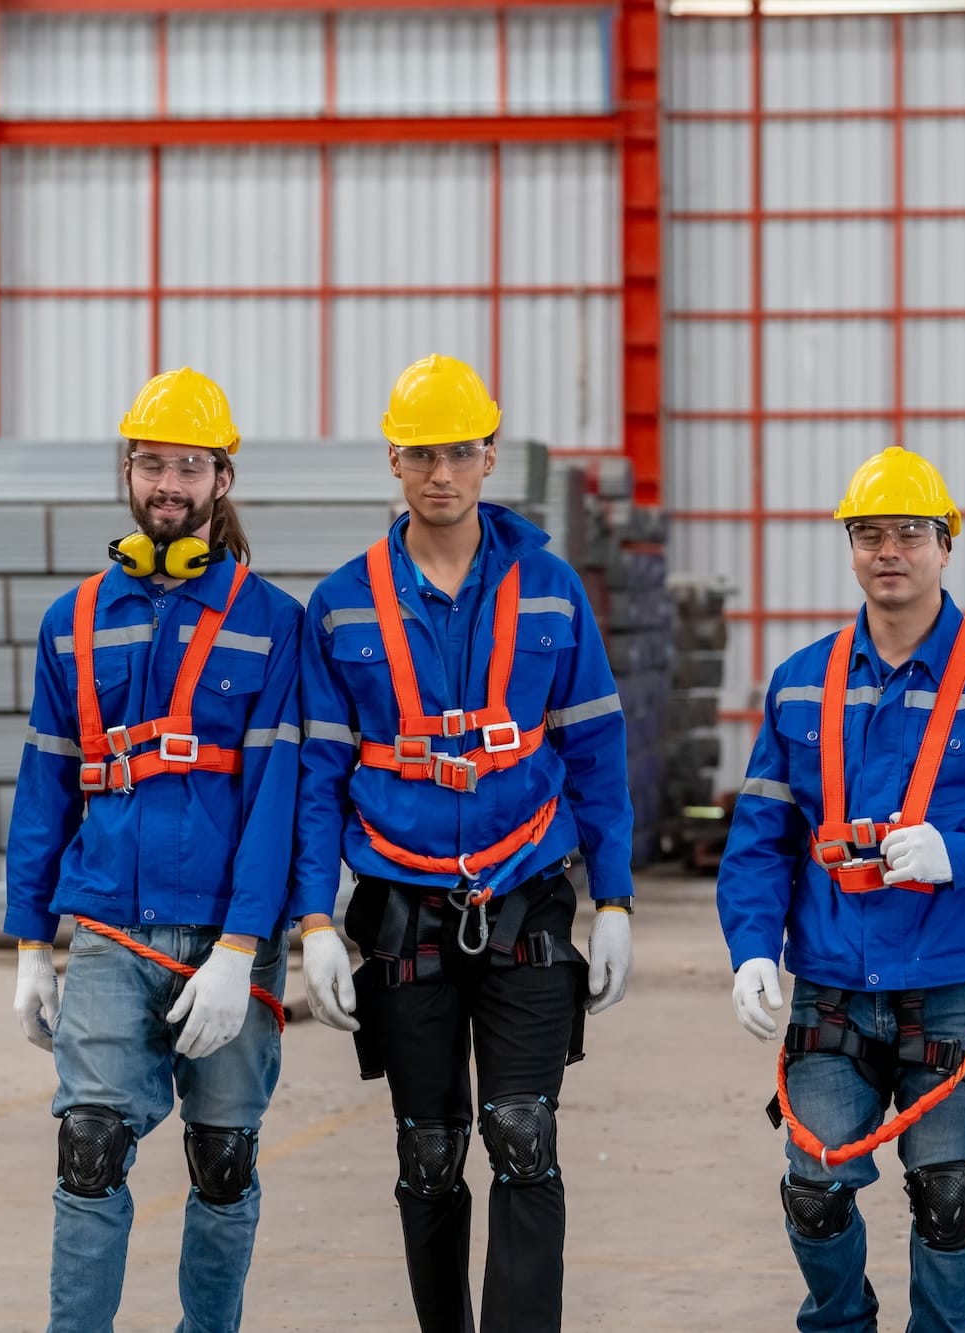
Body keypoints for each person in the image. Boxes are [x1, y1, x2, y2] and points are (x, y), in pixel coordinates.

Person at [290, 353, 635, 1333]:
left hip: (525, 897)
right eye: (420, 454)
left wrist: (613, 900)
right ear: (393, 462)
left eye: (458, 452)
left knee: (523, 1136)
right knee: (429, 1151)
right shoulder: (341, 605)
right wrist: (315, 919)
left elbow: (597, 749)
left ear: (489, 458)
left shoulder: (552, 591)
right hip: (400, 912)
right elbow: (316, 779)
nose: (440, 472)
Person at [716, 446, 965, 1333]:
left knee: (947, 1195)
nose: (890, 550)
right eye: (870, 533)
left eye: (911, 533)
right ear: (851, 549)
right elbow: (761, 836)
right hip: (836, 975)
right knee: (814, 1189)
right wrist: (749, 950)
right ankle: (840, 1319)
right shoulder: (803, 679)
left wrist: (959, 854)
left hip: (954, 978)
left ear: (946, 547)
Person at [6, 367, 306, 1333]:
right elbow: (46, 786)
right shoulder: (75, 622)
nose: (167, 483)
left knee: (224, 1162)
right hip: (107, 930)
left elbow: (277, 803)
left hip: (227, 938)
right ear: (126, 471)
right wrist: (27, 946)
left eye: (189, 465)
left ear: (223, 478)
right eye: (151, 464)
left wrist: (241, 947)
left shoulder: (273, 625)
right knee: (87, 1147)